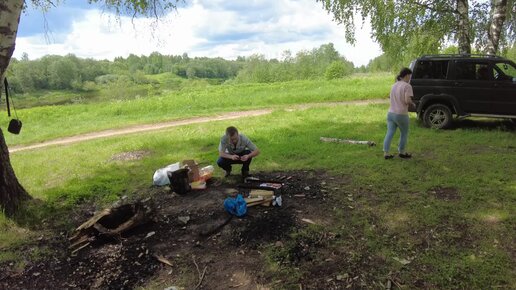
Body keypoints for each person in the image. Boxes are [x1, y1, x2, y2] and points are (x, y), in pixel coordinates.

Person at [383, 68, 416, 160]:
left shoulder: (394, 85)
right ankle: (402, 152)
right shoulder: (407, 86)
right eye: (410, 76)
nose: (410, 78)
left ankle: (386, 153)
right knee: (404, 133)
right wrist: (413, 104)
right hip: (401, 114)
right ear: (406, 75)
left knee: (389, 132)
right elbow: (407, 100)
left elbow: (391, 97)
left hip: (390, 113)